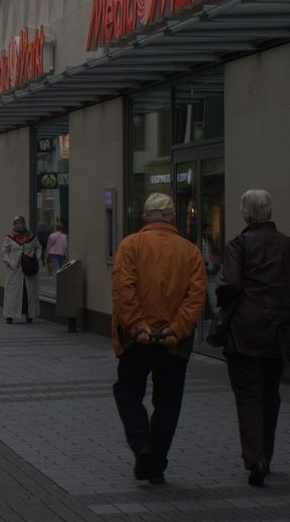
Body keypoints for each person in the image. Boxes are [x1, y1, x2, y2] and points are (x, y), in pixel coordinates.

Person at [218, 189, 290, 486]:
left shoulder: (239, 245)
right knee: (270, 395)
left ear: (246, 213)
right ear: (269, 212)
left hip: (245, 331)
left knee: (248, 396)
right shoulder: (289, 246)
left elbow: (229, 285)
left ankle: (254, 457)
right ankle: (266, 456)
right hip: (280, 332)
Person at [110, 193, 206, 485]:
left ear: (145, 217)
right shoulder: (190, 251)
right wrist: (176, 329)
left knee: (127, 393)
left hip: (137, 340)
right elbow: (196, 296)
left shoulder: (130, 246)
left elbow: (123, 290)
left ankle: (142, 447)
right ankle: (157, 462)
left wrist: (138, 327)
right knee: (168, 402)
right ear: (173, 217)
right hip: (172, 343)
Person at [1, 216, 41, 324]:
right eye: (17, 223)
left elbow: (38, 247)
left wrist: (36, 258)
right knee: (12, 294)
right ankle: (10, 316)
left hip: (28, 269)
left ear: (24, 224)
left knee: (29, 293)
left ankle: (29, 315)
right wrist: (9, 263)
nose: (19, 225)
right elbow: (4, 252)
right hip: (15, 270)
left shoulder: (31, 237)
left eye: (21, 223)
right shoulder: (9, 237)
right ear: (14, 225)